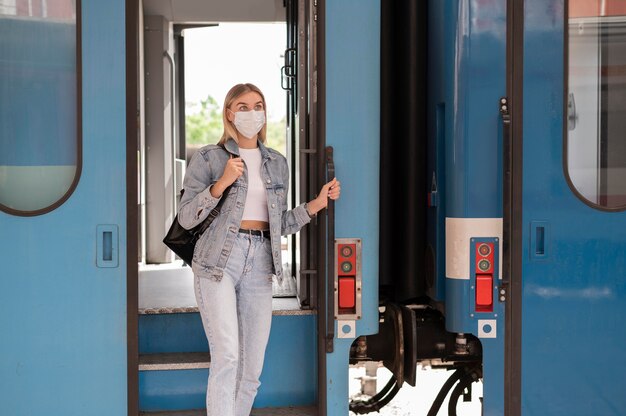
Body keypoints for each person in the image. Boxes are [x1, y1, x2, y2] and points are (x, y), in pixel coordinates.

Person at [178, 83, 340, 416]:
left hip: (261, 258)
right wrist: (221, 183)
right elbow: (186, 216)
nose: (252, 113)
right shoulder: (210, 157)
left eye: (258, 105)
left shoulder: (276, 162)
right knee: (227, 357)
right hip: (217, 261)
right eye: (243, 106)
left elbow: (279, 221)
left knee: (252, 369)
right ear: (229, 113)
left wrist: (316, 204)